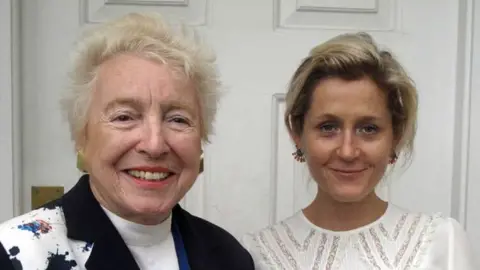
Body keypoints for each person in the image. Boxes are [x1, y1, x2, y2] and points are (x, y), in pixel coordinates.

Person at [0, 12, 254, 270]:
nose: (154, 145)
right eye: (124, 117)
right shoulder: (16, 253)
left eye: (178, 119)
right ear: (82, 137)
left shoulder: (229, 257)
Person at [242, 32, 476, 269]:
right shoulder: (257, 253)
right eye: (328, 127)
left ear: (395, 136)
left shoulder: (440, 243)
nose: (347, 151)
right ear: (297, 132)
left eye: (368, 128)